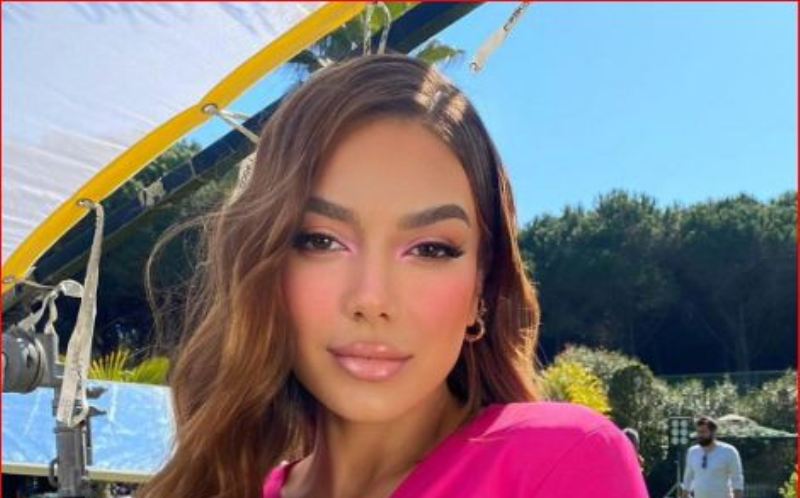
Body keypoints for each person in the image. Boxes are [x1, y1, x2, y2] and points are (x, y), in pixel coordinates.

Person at [138, 54, 648, 498]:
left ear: (481, 288)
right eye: (321, 240)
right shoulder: (222, 487)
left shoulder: (558, 464)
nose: (372, 298)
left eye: (430, 249)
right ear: (266, 267)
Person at [681, 416, 744, 498]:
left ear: (713, 432)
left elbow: (737, 479)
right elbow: (688, 477)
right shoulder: (692, 452)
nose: (700, 435)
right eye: (698, 432)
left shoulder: (729, 451)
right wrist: (684, 494)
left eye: (703, 432)